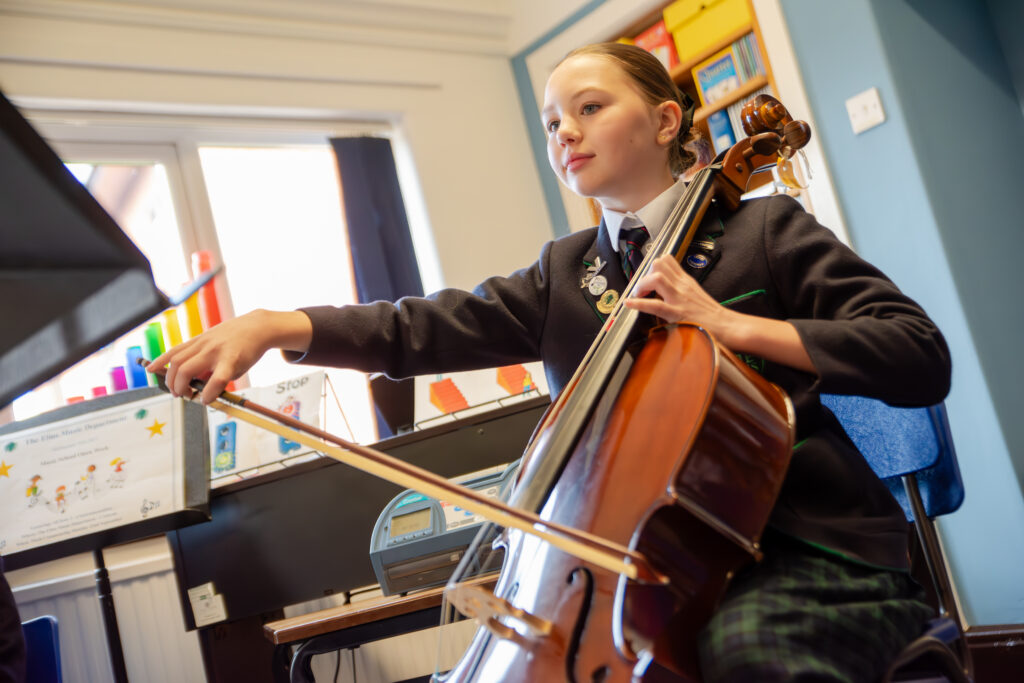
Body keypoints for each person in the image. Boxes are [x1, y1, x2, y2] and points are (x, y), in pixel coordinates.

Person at [152, 43, 950, 682]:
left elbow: (917, 352)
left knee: (745, 657)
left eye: (590, 108)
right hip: (635, 573)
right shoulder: (566, 274)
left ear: (666, 120)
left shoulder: (765, 231)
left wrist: (728, 327)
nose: (563, 132)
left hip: (808, 552)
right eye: (551, 122)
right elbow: (419, 329)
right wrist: (273, 324)